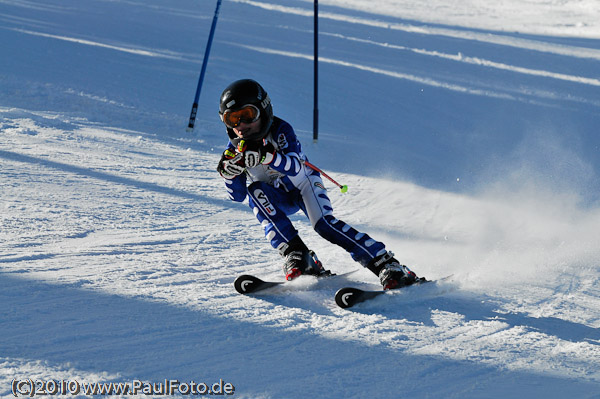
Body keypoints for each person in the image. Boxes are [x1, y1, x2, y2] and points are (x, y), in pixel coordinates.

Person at [216, 79, 421, 289]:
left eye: (247, 115)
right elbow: (238, 196)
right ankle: (297, 254)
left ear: (263, 109)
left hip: (304, 185)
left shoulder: (280, 130)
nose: (240, 125)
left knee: (325, 225)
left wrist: (266, 157)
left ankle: (385, 263)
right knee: (254, 192)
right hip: (277, 196)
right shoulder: (234, 150)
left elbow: (295, 166)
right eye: (232, 119)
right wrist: (230, 175)